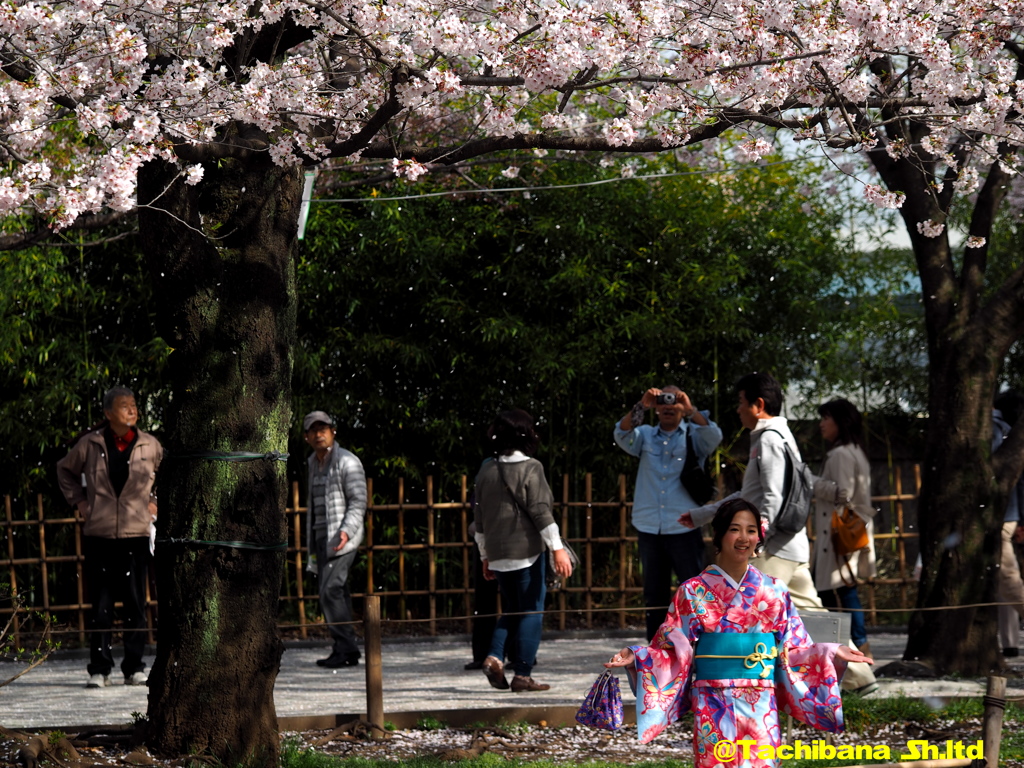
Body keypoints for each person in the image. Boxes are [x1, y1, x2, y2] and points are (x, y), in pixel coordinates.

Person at [605, 499, 871, 764]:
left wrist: (831, 651)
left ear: (759, 537)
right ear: (719, 535)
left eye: (751, 530)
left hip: (760, 700)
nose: (744, 537)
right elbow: (670, 650)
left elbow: (796, 648)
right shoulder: (691, 591)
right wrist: (638, 656)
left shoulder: (774, 590)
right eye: (735, 529)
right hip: (712, 699)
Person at [682, 373, 878, 694]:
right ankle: (860, 677)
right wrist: (700, 514)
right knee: (813, 614)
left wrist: (757, 540)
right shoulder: (782, 435)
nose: (737, 409)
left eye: (741, 403)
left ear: (758, 405)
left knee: (738, 608)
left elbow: (771, 496)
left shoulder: (769, 438)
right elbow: (751, 496)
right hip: (792, 544)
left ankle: (737, 683)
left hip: (773, 548)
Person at [56, 386, 163, 688]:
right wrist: (79, 502)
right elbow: (64, 470)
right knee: (100, 605)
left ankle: (134, 666)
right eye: (124, 406)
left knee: (135, 604)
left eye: (134, 405)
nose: (132, 410)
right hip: (99, 534)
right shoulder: (90, 444)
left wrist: (155, 501)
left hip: (136, 533)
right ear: (107, 413)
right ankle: (99, 669)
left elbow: (168, 475)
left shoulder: (150, 445)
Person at [473, 409, 573, 692]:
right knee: (531, 610)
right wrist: (557, 549)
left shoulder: (486, 469)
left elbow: (478, 518)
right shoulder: (532, 467)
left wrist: (484, 555)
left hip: (496, 550)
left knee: (513, 609)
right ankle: (523, 674)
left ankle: (494, 656)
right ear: (526, 435)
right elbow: (541, 511)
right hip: (527, 550)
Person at [614, 385, 723, 640]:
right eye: (663, 402)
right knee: (654, 593)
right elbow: (621, 434)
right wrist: (642, 405)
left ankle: (697, 647)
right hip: (649, 525)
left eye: (674, 402)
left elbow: (714, 435)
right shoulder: (645, 436)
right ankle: (656, 651)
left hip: (684, 525)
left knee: (694, 590)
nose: (668, 407)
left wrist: (691, 408)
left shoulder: (694, 436)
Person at [812, 399, 877, 656]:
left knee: (838, 595)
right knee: (845, 592)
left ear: (840, 422)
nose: (822, 423)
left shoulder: (840, 454)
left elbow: (843, 494)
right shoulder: (856, 450)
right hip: (848, 533)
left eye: (826, 418)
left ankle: (857, 650)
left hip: (837, 536)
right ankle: (858, 649)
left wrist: (810, 481)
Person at [303, 410, 367, 668]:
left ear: (333, 432)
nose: (319, 434)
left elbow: (359, 500)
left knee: (330, 591)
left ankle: (348, 649)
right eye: (314, 430)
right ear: (306, 436)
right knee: (336, 591)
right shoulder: (312, 462)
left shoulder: (347, 461)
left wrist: (346, 530)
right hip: (321, 535)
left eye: (324, 429)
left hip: (342, 537)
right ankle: (343, 646)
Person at [993, 391, 1024, 657]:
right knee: (1003, 580)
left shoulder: (1000, 431)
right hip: (1007, 514)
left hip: (1004, 515)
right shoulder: (1002, 430)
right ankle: (1010, 642)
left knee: (1009, 579)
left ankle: (1011, 641)